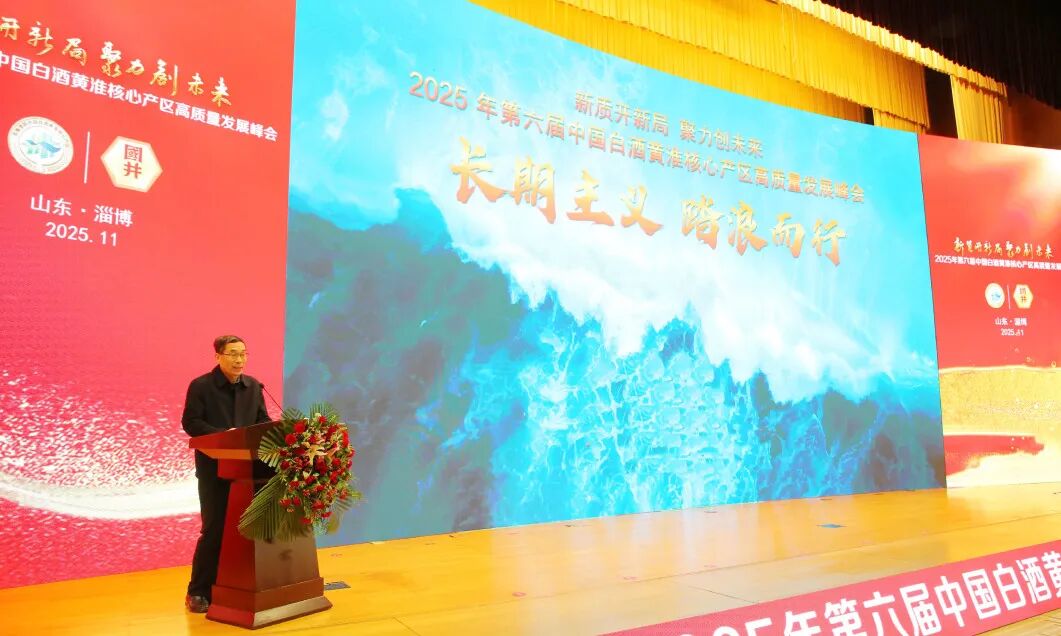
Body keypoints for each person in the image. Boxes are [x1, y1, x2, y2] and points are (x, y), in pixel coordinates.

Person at [181, 335, 270, 613]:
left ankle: (239, 586)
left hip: (250, 471)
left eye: (243, 353)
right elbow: (191, 422)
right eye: (233, 354)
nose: (239, 359)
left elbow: (263, 422)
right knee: (214, 529)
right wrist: (225, 436)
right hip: (214, 469)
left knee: (249, 530)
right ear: (218, 356)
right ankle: (198, 591)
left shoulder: (254, 386)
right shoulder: (201, 386)